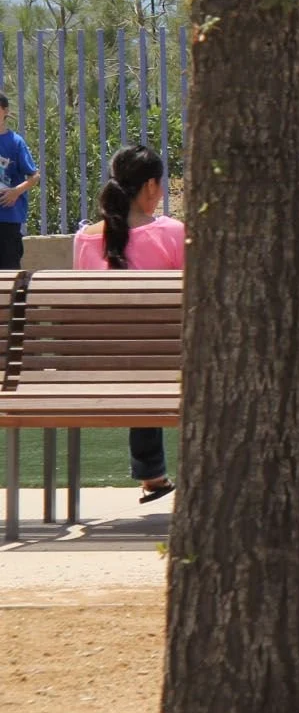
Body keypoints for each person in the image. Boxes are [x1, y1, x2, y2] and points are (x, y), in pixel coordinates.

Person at [72, 145, 185, 504]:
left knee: (140, 350)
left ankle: (152, 472)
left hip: (98, 364)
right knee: (154, 348)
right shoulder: (172, 233)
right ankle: (156, 471)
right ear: (151, 185)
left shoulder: (85, 238)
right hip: (163, 362)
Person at [0, 94, 41, 270]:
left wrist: (16, 191)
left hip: (8, 218)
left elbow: (35, 176)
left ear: (5, 111)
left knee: (9, 270)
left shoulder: (15, 142)